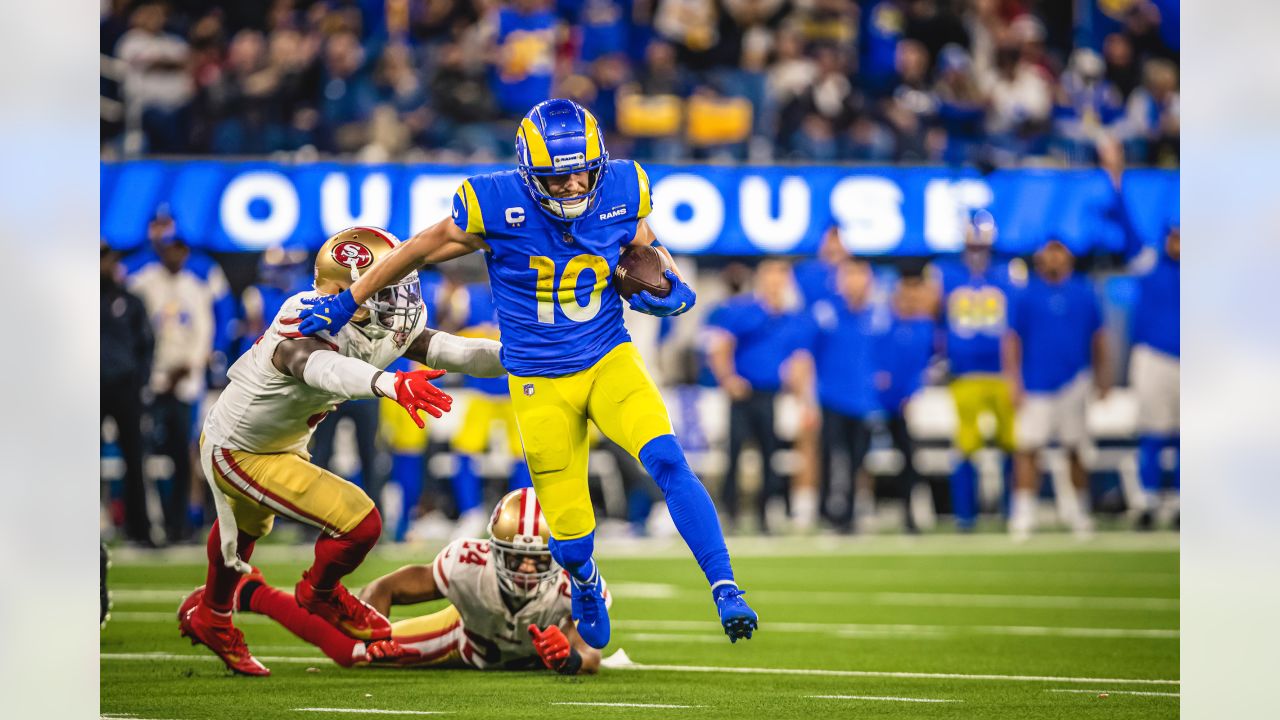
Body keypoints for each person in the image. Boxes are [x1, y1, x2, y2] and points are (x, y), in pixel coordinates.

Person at [291, 99, 757, 649]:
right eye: (557, 177)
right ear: (529, 173)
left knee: (667, 459)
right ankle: (584, 580)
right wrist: (349, 300)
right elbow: (418, 249)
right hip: (538, 379)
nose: (573, 184)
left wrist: (672, 289)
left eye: (582, 170)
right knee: (572, 534)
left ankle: (725, 586)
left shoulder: (623, 189)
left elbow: (648, 247)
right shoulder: (494, 203)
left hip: (609, 357)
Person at [181, 226, 505, 676]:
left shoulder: (377, 321)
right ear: (340, 287)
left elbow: (453, 350)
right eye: (385, 286)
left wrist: (523, 354)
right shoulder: (305, 314)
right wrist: (390, 383)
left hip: (282, 443)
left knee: (244, 530)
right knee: (359, 522)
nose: (397, 300)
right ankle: (320, 593)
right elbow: (318, 366)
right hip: (240, 446)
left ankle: (212, 616)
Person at [216, 488, 603, 674]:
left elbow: (591, 655)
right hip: (463, 639)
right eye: (517, 557)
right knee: (355, 652)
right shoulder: (468, 563)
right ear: (495, 549)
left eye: (536, 560)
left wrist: (567, 658)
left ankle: (252, 593)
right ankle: (255, 594)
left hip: (509, 655)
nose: (526, 570)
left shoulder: (576, 583)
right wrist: (375, 634)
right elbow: (386, 589)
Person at [1003, 238, 1111, 541]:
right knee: (1027, 449)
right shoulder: (1026, 295)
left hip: (1075, 380)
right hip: (1036, 382)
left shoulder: (1083, 292)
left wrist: (1103, 378)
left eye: (1058, 251)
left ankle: (1078, 511)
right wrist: (1013, 380)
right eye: (1048, 252)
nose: (1053, 258)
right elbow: (1012, 340)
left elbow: (1098, 337)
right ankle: (1023, 513)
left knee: (1076, 449)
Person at [933, 210, 1023, 530]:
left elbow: (1018, 323)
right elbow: (935, 318)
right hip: (965, 372)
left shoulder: (1008, 272)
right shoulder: (945, 273)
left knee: (1011, 445)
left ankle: (1015, 512)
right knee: (966, 446)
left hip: (1001, 372)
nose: (977, 241)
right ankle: (965, 517)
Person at [706, 260, 808, 533]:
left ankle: (765, 514)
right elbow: (720, 346)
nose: (776, 283)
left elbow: (797, 358)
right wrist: (728, 379)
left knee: (769, 454)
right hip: (743, 392)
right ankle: (730, 511)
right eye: (772, 276)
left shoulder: (788, 316)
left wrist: (801, 394)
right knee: (736, 452)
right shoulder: (743, 310)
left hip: (770, 392)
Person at [127, 232, 213, 544]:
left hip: (185, 381)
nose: (174, 255)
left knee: (183, 455)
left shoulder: (196, 287)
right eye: (169, 249)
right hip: (150, 379)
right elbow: (136, 333)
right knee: (142, 454)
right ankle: (147, 523)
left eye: (180, 250)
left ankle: (179, 524)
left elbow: (204, 334)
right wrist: (150, 373)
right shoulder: (143, 283)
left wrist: (187, 366)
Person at [797, 257, 887, 534]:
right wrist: (806, 399)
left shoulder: (878, 315)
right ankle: (828, 511)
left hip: (865, 400)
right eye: (849, 275)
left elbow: (887, 357)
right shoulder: (825, 313)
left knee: (859, 459)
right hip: (831, 397)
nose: (854, 281)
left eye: (860, 275)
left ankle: (850, 513)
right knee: (833, 457)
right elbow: (805, 355)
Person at [446, 281, 532, 537]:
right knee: (464, 449)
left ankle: (522, 512)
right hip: (481, 390)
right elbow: (449, 330)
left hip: (516, 391)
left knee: (526, 454)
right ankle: (470, 512)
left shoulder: (525, 288)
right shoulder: (467, 295)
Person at [101, 242, 155, 546]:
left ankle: (140, 529)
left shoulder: (129, 300)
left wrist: (140, 381)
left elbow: (146, 344)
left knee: (135, 460)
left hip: (124, 388)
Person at [876, 271, 937, 534]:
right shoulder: (884, 325)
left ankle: (913, 513)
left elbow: (923, 368)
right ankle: (853, 512)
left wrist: (911, 393)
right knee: (857, 457)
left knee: (910, 460)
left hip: (907, 404)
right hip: (878, 403)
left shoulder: (925, 329)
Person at [1131, 223, 1179, 529]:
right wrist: (1117, 184)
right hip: (1153, 357)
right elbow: (1129, 230)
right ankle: (1146, 502)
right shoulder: (1150, 265)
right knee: (1152, 434)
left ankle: (1179, 503)